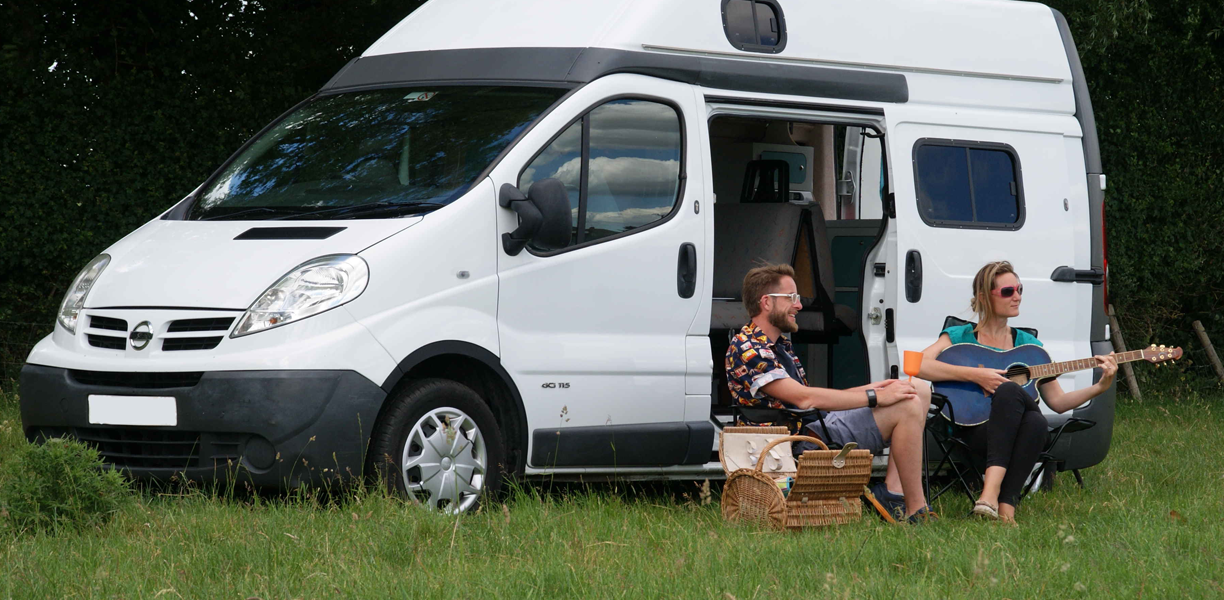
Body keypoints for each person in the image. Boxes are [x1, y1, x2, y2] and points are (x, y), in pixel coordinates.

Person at [725, 264, 935, 523]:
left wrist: (878, 387)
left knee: (918, 390)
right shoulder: (749, 348)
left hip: (813, 424)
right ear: (766, 303)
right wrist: (874, 397)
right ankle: (916, 510)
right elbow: (804, 399)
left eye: (797, 298)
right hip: (796, 444)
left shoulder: (778, 344)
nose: (798, 306)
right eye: (791, 298)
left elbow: (811, 397)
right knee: (908, 405)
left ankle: (892, 492)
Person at [918, 261, 1118, 524]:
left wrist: (1099, 387)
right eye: (1007, 291)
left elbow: (1058, 402)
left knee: (1028, 412)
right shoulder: (959, 335)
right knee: (1032, 418)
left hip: (1014, 437)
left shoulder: (1029, 346)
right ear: (983, 297)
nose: (1017, 297)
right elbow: (918, 364)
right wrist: (975, 375)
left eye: (1020, 289)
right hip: (973, 431)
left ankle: (996, 502)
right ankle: (1001, 504)